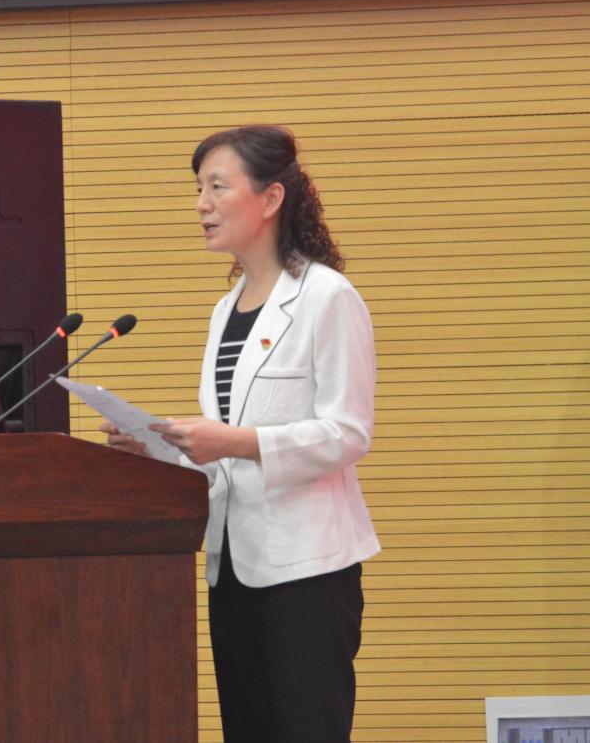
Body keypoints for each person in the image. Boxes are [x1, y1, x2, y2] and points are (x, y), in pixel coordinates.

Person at [101, 125, 381, 742]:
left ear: (271, 198)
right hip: (232, 566)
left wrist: (234, 442)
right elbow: (223, 452)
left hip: (308, 572)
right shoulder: (225, 310)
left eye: (217, 187)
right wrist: (156, 448)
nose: (201, 204)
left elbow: (347, 433)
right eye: (198, 189)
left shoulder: (327, 297)